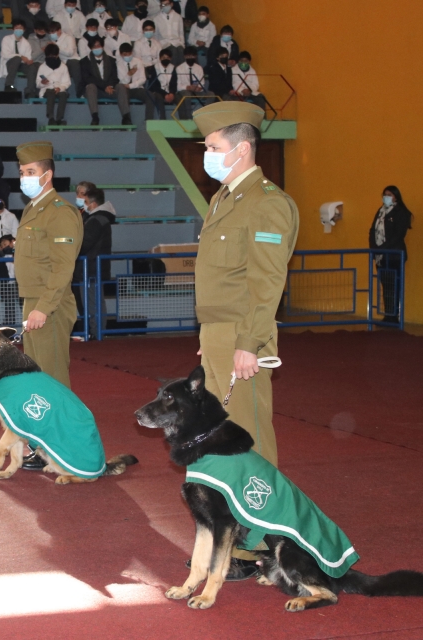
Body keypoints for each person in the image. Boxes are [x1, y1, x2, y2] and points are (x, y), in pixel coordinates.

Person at [192, 102, 299, 578]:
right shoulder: (224, 197)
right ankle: (237, 534)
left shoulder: (268, 202)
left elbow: (264, 283)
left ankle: (265, 538)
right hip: (218, 333)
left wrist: (248, 343)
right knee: (222, 436)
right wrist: (210, 333)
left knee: (249, 434)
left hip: (243, 336)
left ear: (242, 149)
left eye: (214, 147)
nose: (208, 156)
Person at [14, 140, 82, 389]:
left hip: (50, 303)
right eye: (22, 173)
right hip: (33, 300)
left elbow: (63, 267)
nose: (24, 178)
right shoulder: (32, 210)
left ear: (47, 175)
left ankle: (62, 426)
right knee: (36, 371)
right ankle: (45, 424)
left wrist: (43, 308)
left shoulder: (60, 212)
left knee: (51, 374)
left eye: (30, 172)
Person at [369, 186, 413, 324]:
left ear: (396, 196)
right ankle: (388, 315)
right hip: (381, 257)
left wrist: (382, 248)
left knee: (394, 285)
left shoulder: (402, 213)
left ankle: (394, 316)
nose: (386, 197)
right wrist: (374, 249)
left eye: (390, 195)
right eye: (385, 194)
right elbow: (372, 230)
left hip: (394, 256)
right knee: (386, 285)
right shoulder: (381, 211)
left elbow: (398, 235)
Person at [78, 186, 114, 338]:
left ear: (92, 204)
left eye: (85, 201)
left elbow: (85, 243)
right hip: (94, 268)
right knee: (95, 302)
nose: (83, 203)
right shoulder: (100, 219)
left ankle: (96, 333)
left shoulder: (95, 220)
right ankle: (97, 332)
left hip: (91, 268)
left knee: (93, 303)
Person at [79, 37, 121, 126]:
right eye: (94, 46)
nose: (97, 48)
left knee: (121, 88)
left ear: (102, 46)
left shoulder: (111, 60)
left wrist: (109, 86)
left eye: (98, 45)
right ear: (90, 48)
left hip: (109, 89)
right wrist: (104, 86)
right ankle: (95, 116)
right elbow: (87, 78)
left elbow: (114, 77)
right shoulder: (84, 62)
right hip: (95, 90)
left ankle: (126, 117)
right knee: (90, 86)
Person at [116, 42, 158, 123]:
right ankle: (127, 120)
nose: (128, 56)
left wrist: (131, 86)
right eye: (125, 54)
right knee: (123, 96)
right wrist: (129, 74)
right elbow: (122, 81)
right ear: (121, 54)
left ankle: (149, 121)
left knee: (150, 96)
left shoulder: (138, 62)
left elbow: (143, 79)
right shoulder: (119, 64)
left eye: (129, 53)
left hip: (137, 88)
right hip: (125, 90)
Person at [0, 19, 38, 97]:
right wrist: (20, 56)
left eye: (21, 28)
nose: (18, 30)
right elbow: (5, 54)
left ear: (24, 30)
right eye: (17, 28)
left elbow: (27, 57)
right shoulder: (6, 39)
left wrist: (28, 61)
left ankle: (29, 91)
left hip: (21, 64)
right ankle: (9, 85)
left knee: (32, 67)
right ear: (13, 29)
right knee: (17, 59)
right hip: (9, 62)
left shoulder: (26, 43)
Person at [36, 43, 71, 126]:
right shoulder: (42, 67)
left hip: (59, 89)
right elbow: (37, 84)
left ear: (57, 55)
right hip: (46, 89)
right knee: (50, 92)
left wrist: (60, 88)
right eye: (49, 56)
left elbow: (67, 82)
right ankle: (51, 118)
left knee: (63, 95)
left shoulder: (63, 67)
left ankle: (59, 118)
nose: (51, 58)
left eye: (53, 56)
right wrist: (42, 83)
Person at [175, 45, 213, 118]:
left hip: (197, 91)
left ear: (195, 56)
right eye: (188, 56)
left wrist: (199, 88)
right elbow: (178, 85)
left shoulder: (199, 68)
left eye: (192, 56)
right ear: (185, 56)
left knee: (211, 94)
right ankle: (189, 118)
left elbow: (202, 83)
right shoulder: (179, 68)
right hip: (185, 91)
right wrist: (188, 87)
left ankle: (205, 115)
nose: (190, 58)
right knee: (187, 95)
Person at [49, 22, 82, 97]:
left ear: (59, 30)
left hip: (72, 60)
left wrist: (56, 46)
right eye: (50, 32)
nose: (52, 34)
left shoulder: (69, 38)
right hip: (60, 62)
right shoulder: (52, 40)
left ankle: (80, 94)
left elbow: (70, 53)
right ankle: (60, 93)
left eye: (53, 32)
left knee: (74, 65)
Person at [152, 47, 177, 118]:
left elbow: (174, 83)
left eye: (167, 57)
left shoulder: (173, 68)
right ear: (160, 58)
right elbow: (154, 86)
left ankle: (185, 120)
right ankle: (163, 119)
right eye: (163, 57)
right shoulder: (155, 68)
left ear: (170, 59)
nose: (165, 59)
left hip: (170, 92)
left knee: (181, 98)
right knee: (159, 98)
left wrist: (172, 93)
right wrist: (165, 94)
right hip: (158, 92)